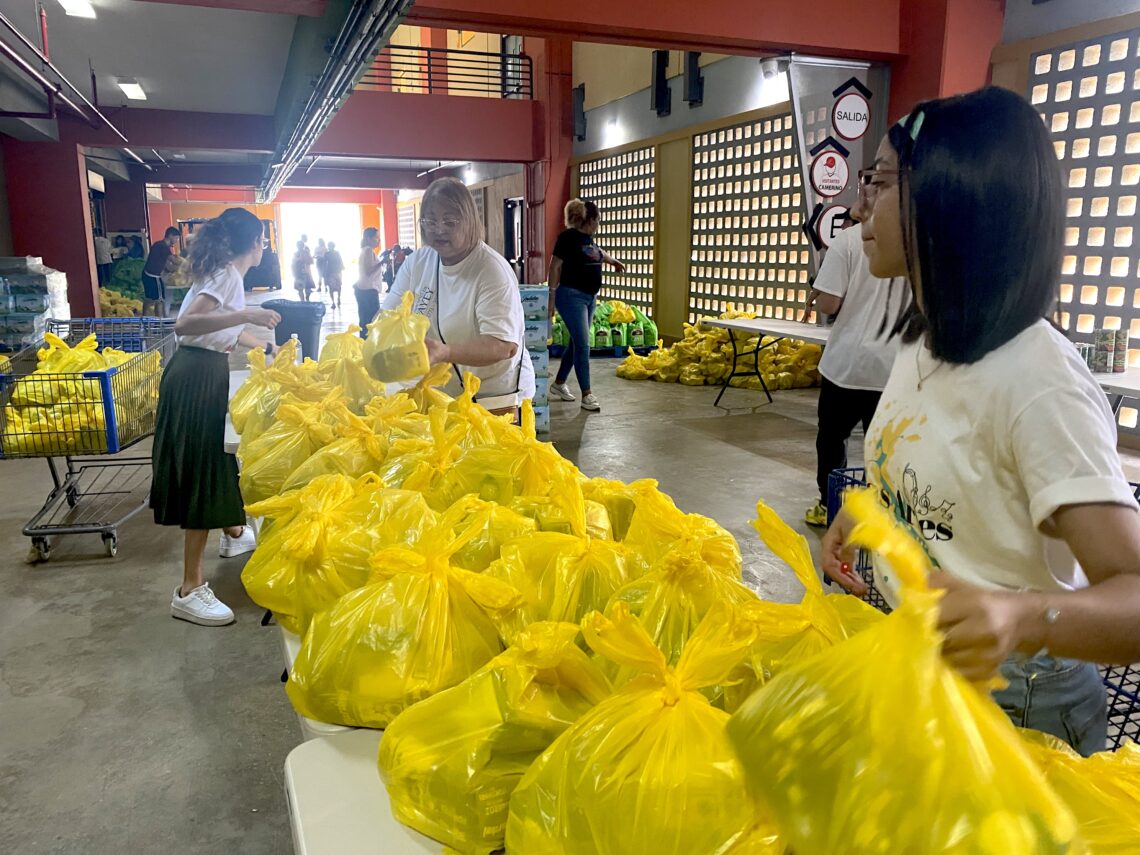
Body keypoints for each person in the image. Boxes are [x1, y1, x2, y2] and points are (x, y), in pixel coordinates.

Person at [821, 87, 1140, 755]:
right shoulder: (924, 338)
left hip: (1020, 699)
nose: (860, 205)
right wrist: (874, 508)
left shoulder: (1039, 380)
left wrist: (1018, 615)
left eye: (880, 181)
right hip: (926, 663)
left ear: (950, 196)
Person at [149, 208, 282, 626]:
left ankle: (233, 533)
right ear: (253, 243)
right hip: (196, 376)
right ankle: (190, 589)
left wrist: (262, 345)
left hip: (201, 370)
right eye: (262, 239)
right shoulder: (227, 275)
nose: (264, 246)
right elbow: (186, 324)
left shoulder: (226, 274)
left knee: (217, 457)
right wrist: (248, 314)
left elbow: (219, 327)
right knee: (202, 467)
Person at [382, 177, 535, 416]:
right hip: (446, 395)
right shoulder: (418, 263)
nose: (439, 229)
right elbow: (388, 315)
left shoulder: (491, 270)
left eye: (450, 221)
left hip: (495, 399)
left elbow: (503, 346)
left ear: (470, 221)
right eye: (430, 221)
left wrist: (445, 352)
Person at [802, 209, 904, 527]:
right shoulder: (914, 240)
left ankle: (830, 505)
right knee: (885, 447)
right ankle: (882, 512)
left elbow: (829, 304)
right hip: (896, 366)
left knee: (833, 438)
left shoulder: (847, 241)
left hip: (848, 364)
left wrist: (820, 292)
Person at [547, 199, 625, 412]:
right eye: (598, 219)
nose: (599, 223)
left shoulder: (588, 239)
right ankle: (587, 394)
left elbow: (598, 252)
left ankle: (559, 383)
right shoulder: (567, 238)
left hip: (590, 298)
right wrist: (551, 298)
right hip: (571, 297)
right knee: (583, 345)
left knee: (576, 343)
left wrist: (613, 261)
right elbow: (554, 267)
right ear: (591, 220)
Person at [143, 227, 180, 317]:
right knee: (160, 300)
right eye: (176, 238)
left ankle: (144, 318)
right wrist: (187, 264)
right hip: (153, 276)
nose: (177, 240)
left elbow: (166, 265)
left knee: (149, 298)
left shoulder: (158, 244)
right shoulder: (163, 247)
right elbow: (174, 261)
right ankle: (160, 321)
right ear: (170, 236)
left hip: (146, 274)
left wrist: (174, 270)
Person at [354, 227, 384, 337]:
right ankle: (368, 342)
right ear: (368, 238)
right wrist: (382, 262)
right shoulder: (368, 250)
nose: (378, 240)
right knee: (372, 320)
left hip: (364, 289)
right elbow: (368, 271)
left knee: (365, 320)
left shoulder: (366, 250)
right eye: (376, 237)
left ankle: (364, 341)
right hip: (368, 290)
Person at [324, 241, 344, 309]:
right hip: (332, 272)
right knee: (332, 287)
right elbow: (325, 263)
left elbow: (340, 261)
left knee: (337, 287)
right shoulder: (328, 253)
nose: (329, 247)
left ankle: (337, 299)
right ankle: (334, 301)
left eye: (330, 246)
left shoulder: (333, 253)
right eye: (329, 246)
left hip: (334, 272)